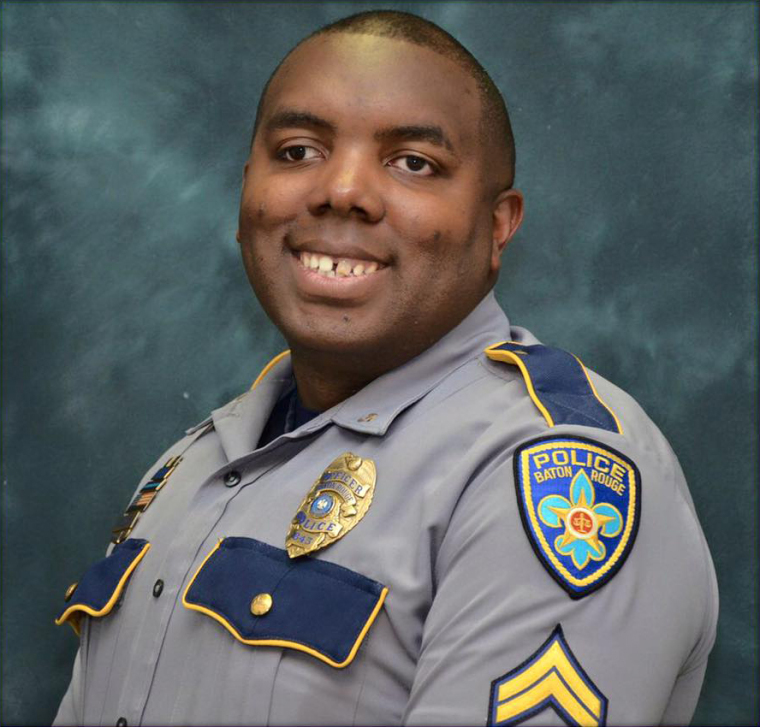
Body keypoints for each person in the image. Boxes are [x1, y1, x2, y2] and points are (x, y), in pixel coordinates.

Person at [53, 10, 718, 726]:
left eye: (413, 164)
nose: (342, 191)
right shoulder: (186, 470)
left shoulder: (554, 474)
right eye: (299, 150)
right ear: (246, 194)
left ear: (499, 225)